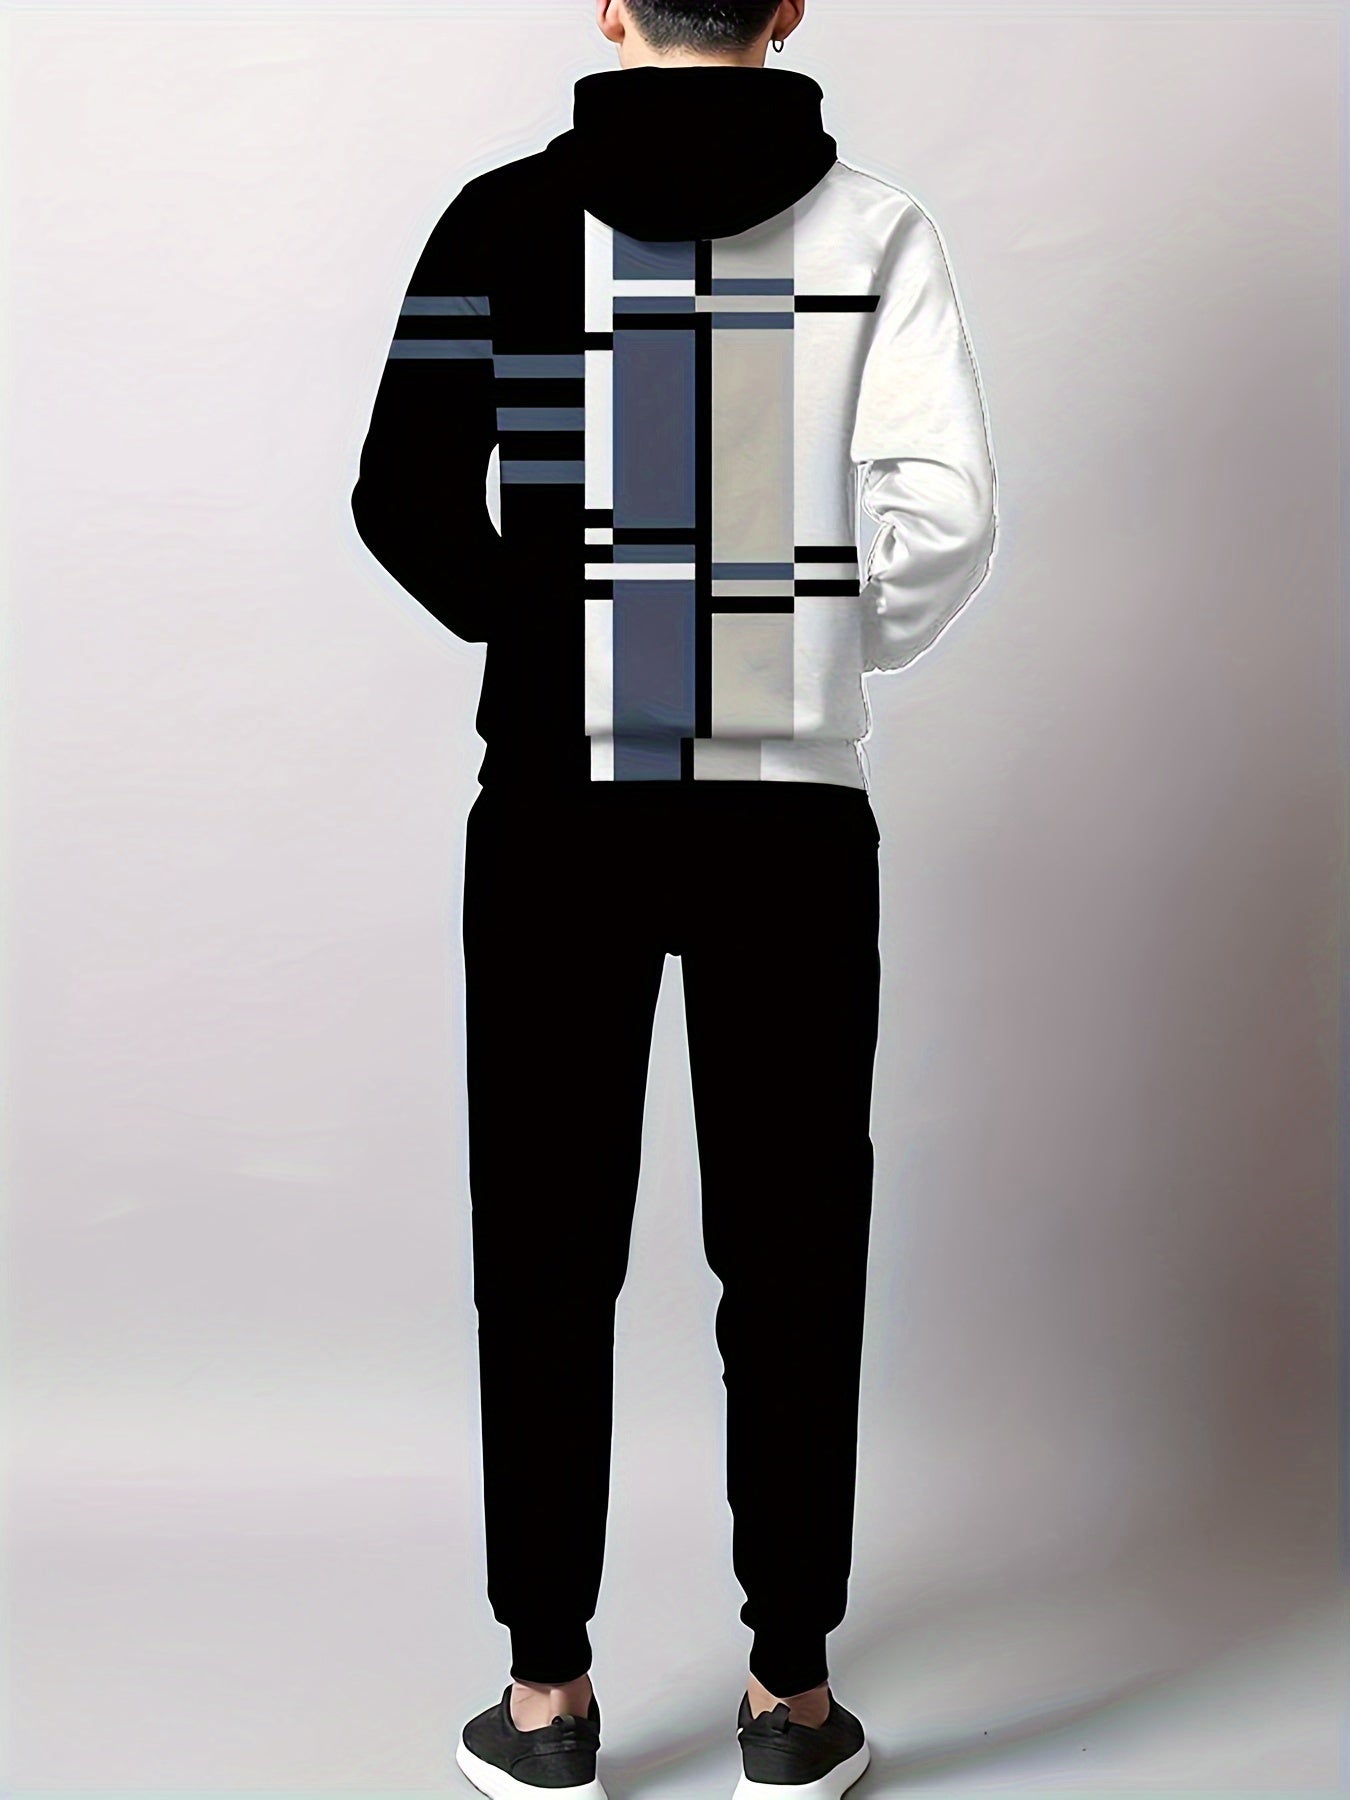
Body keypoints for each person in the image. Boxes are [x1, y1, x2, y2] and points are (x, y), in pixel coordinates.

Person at [350, 0, 998, 1792]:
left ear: (610, 10)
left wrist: (557, 638)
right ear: (787, 11)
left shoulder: (497, 219)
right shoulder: (875, 230)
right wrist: (805, 652)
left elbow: (400, 496)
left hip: (556, 808)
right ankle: (790, 1697)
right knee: (792, 1246)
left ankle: (544, 1700)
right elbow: (944, 517)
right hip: (789, 815)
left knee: (541, 1240)